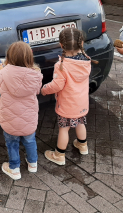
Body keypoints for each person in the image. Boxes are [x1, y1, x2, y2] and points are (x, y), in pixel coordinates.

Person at [0, 42, 43, 180]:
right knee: (30, 141)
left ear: (9, 57)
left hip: (9, 120)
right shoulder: (36, 75)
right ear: (29, 57)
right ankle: (33, 163)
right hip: (29, 120)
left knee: (12, 143)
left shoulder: (3, 73)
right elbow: (37, 90)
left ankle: (14, 168)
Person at [41, 28, 93, 166]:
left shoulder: (62, 65)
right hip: (81, 103)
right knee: (80, 122)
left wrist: (44, 90)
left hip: (67, 104)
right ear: (81, 43)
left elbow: (57, 85)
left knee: (64, 129)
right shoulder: (86, 61)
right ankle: (83, 146)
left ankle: (59, 154)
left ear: (61, 45)